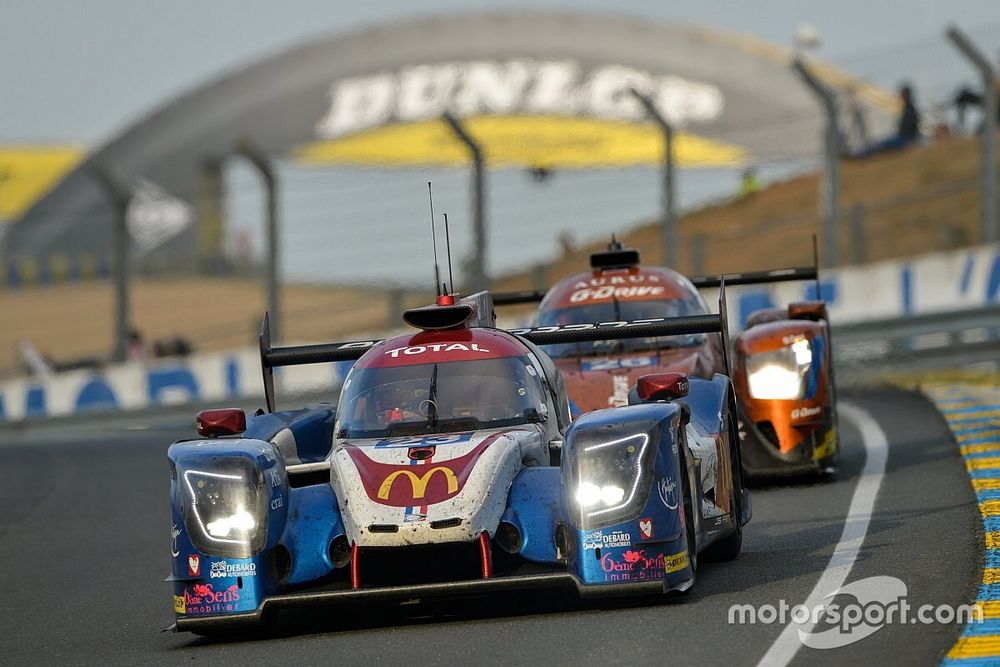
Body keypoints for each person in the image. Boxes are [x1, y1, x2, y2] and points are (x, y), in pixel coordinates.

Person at [854, 83, 921, 158]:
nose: (901, 97)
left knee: (881, 145)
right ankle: (859, 155)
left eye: (902, 94)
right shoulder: (907, 109)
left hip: (905, 138)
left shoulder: (910, 110)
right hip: (903, 137)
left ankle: (860, 156)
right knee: (880, 144)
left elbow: (910, 127)